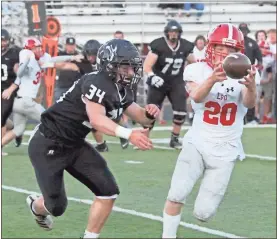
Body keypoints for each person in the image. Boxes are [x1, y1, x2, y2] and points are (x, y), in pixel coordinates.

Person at [25, 39, 160, 238]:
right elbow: (97, 119)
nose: (131, 72)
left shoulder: (121, 88)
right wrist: (128, 134)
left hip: (74, 144)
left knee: (108, 191)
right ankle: (36, 207)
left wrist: (150, 114)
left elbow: (141, 118)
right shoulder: (95, 81)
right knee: (56, 206)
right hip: (48, 143)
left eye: (132, 67)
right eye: (125, 67)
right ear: (109, 65)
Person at [162, 23, 257, 238]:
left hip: (227, 149)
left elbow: (249, 105)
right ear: (210, 47)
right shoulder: (196, 69)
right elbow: (196, 97)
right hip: (197, 142)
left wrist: (251, 86)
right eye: (220, 48)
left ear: (238, 52)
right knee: (176, 194)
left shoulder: (246, 72)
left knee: (203, 213)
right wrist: (213, 78)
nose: (225, 53)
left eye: (230, 50)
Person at [1, 37, 83, 149]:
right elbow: (20, 73)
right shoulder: (27, 58)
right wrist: (26, 61)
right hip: (26, 101)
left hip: (18, 101)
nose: (39, 49)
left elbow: (54, 59)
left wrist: (72, 57)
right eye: (35, 48)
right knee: (50, 120)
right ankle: (60, 146)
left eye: (39, 47)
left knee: (18, 129)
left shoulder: (40, 59)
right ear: (29, 50)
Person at [143, 19, 195, 149]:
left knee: (181, 111)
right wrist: (152, 76)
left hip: (176, 81)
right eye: (171, 32)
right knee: (151, 112)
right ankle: (143, 139)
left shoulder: (185, 46)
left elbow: (193, 64)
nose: (173, 34)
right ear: (167, 33)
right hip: (158, 81)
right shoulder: (158, 45)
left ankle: (175, 138)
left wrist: (189, 78)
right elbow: (147, 66)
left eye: (176, 32)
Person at [238, 23, 263, 124]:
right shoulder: (234, 42)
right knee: (237, 94)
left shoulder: (252, 43)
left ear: (247, 31)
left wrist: (259, 68)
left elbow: (259, 58)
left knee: (251, 92)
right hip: (236, 71)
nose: (243, 32)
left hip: (249, 71)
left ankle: (251, 118)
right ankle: (239, 117)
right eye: (241, 30)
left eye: (244, 30)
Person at [1, 29, 21, 154]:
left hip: (8, 89)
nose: (2, 43)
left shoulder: (14, 53)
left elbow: (19, 73)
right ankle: (14, 129)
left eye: (4, 40)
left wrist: (12, 88)